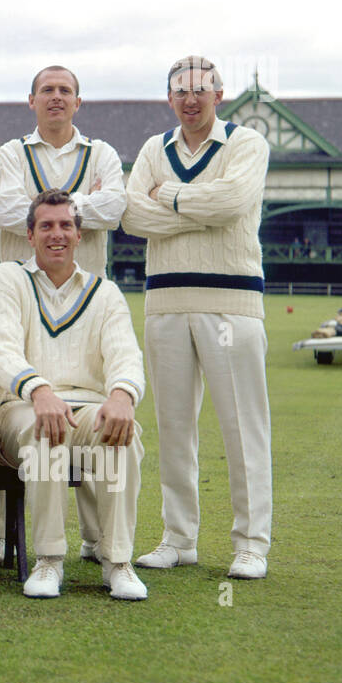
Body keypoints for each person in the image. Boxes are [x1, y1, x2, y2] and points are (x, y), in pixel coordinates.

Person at [123, 56, 272, 580]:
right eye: (181, 91)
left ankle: (251, 544)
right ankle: (179, 538)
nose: (191, 100)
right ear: (170, 98)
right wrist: (196, 213)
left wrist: (172, 197)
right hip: (164, 299)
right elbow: (131, 214)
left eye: (200, 90)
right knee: (174, 427)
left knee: (241, 427)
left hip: (231, 303)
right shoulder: (151, 149)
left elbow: (233, 202)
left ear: (219, 93)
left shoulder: (247, 143)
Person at [0, 65, 126, 566]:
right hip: (25, 293)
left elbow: (117, 207)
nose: (56, 98)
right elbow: (5, 212)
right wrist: (84, 200)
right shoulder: (10, 154)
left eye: (65, 91)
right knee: (25, 413)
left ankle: (100, 543)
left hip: (85, 299)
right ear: (32, 100)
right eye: (48, 90)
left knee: (93, 411)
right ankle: (3, 540)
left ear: (78, 102)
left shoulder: (100, 152)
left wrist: (51, 206)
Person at [0, 189, 147, 600]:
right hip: (21, 407)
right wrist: (39, 390)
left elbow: (125, 354)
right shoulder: (7, 278)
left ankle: (118, 561)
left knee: (122, 431)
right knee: (46, 428)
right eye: (46, 226)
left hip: (87, 406)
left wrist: (122, 396)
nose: (56, 234)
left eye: (65, 226)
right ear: (29, 234)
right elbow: (0, 350)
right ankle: (49, 560)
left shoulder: (104, 292)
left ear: (79, 235)